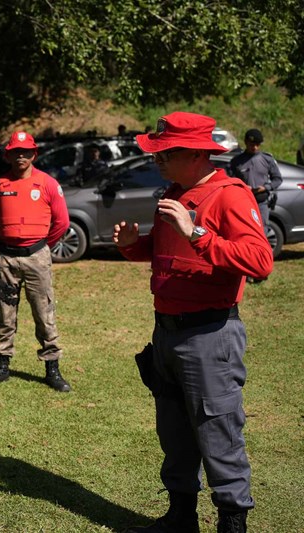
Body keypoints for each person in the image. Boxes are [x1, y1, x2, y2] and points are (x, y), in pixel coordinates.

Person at [114, 112, 273, 533]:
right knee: (175, 433)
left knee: (218, 433)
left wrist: (198, 232)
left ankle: (232, 523)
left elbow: (260, 261)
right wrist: (134, 246)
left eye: (166, 152)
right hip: (166, 333)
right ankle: (181, 517)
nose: (158, 160)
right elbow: (169, 253)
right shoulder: (174, 192)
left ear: (198, 153)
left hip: (209, 335)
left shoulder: (229, 195)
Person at [0, 131, 72, 392]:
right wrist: (9, 242)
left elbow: (62, 222)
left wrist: (40, 246)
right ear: (8, 155)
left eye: (26, 151)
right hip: (6, 259)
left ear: (34, 154)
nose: (21, 155)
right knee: (5, 313)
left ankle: (52, 369)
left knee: (44, 313)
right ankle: (2, 365)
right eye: (15, 151)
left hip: (37, 258)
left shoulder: (48, 184)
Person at [229, 128, 282, 239]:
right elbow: (229, 179)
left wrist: (265, 187)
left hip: (261, 201)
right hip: (243, 202)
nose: (255, 147)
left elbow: (277, 179)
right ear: (246, 142)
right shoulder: (236, 161)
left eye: (257, 144)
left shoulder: (267, 159)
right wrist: (241, 186)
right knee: (244, 230)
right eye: (251, 144)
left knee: (262, 231)